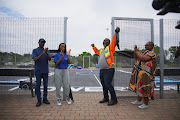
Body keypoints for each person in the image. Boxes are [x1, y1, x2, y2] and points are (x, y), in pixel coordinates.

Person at [91, 27, 120, 106]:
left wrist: (116, 33)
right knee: (104, 84)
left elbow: (114, 41)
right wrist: (93, 47)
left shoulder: (110, 48)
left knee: (108, 84)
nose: (104, 41)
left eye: (106, 40)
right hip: (102, 70)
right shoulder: (101, 50)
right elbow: (96, 51)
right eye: (104, 40)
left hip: (109, 69)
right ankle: (106, 98)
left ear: (109, 42)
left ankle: (114, 99)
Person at [129, 42, 157, 109]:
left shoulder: (152, 53)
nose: (145, 46)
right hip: (141, 73)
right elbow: (137, 58)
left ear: (151, 46)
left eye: (147, 45)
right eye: (145, 45)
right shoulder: (144, 52)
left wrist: (137, 52)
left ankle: (145, 104)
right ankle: (139, 100)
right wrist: (136, 52)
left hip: (147, 74)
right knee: (139, 87)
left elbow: (143, 58)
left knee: (145, 88)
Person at [32, 38, 51, 107]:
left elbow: (49, 59)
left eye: (44, 42)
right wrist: (42, 54)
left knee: (45, 85)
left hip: (45, 71)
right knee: (38, 85)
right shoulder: (35, 50)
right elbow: (35, 59)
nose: (43, 44)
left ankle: (45, 98)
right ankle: (39, 100)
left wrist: (46, 53)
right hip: (38, 71)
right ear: (38, 43)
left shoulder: (46, 51)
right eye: (41, 42)